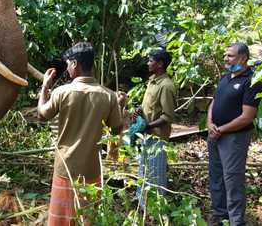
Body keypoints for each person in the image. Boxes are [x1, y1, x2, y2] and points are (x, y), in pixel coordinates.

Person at [37, 42, 124, 226]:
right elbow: (116, 128)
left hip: (65, 168)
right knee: (87, 219)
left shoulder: (62, 92)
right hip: (91, 170)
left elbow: (42, 115)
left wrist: (45, 87)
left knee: (61, 220)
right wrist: (119, 107)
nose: (67, 68)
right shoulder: (108, 96)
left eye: (68, 63)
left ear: (75, 64)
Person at [207, 42, 262, 226]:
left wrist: (221, 129)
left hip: (234, 139)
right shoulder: (225, 78)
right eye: (226, 55)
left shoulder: (252, 81)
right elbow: (213, 103)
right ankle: (220, 215)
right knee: (216, 176)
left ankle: (236, 221)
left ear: (243, 58)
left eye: (230, 56)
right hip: (215, 134)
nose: (226, 58)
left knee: (232, 179)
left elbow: (247, 117)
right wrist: (209, 123)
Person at [131, 49, 176, 208]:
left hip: (156, 137)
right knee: (144, 169)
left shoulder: (166, 86)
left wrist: (147, 126)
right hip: (146, 135)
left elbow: (167, 116)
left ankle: (155, 207)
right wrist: (139, 111)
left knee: (155, 173)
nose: (148, 63)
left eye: (151, 61)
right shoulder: (152, 81)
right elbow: (150, 108)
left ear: (160, 64)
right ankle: (141, 201)